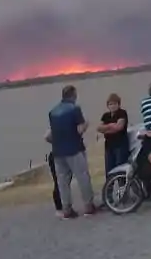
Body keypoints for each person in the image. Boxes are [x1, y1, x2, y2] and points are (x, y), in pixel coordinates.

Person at [45, 85, 97, 218]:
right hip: (74, 149)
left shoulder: (53, 112)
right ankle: (88, 206)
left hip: (58, 152)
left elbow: (50, 135)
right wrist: (86, 124)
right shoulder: (75, 109)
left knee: (62, 182)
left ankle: (67, 209)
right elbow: (79, 130)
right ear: (73, 95)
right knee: (83, 177)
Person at [97, 93, 131, 175]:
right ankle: (110, 187)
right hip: (109, 146)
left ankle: (122, 186)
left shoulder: (122, 113)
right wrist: (111, 126)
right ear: (108, 105)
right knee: (109, 171)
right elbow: (99, 128)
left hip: (120, 145)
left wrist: (106, 129)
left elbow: (119, 127)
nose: (112, 106)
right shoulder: (106, 116)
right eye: (110, 104)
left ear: (119, 104)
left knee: (120, 169)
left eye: (115, 104)